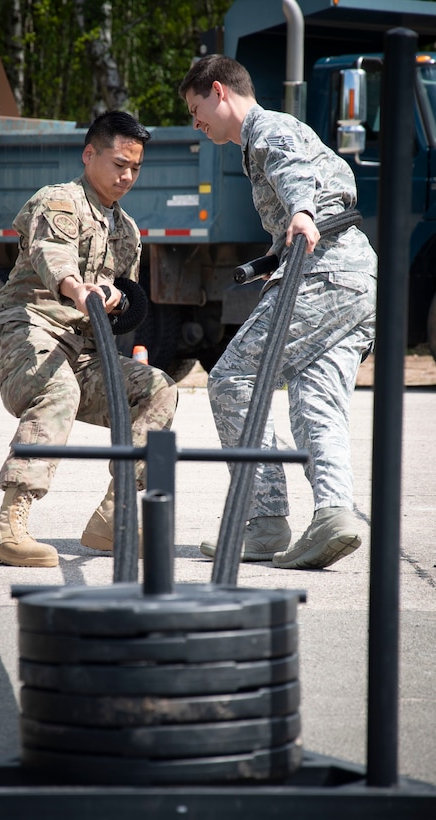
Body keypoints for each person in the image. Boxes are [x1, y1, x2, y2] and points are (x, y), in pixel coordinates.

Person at [179, 55, 377, 570]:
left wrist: (303, 215)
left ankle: (265, 520)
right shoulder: (261, 138)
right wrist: (278, 252)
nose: (195, 124)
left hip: (323, 273)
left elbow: (294, 170)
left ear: (219, 91)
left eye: (196, 109)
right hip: (355, 278)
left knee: (232, 380)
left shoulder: (267, 127)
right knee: (317, 402)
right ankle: (334, 513)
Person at [0, 110, 178, 568]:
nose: (127, 176)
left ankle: (115, 516)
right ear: (90, 155)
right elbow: (54, 257)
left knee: (158, 388)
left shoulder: (128, 232)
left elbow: (129, 305)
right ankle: (6, 525)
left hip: (79, 350)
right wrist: (78, 289)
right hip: (20, 330)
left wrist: (116, 301)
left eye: (135, 167)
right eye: (118, 163)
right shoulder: (59, 201)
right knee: (57, 388)